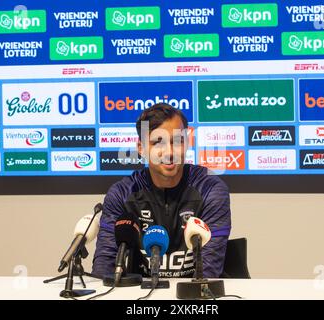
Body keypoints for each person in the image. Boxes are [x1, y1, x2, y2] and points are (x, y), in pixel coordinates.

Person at [92, 103, 231, 278]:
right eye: (158, 142)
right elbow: (104, 269)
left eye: (178, 141)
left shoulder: (210, 189)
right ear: (141, 148)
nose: (169, 152)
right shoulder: (121, 194)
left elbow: (209, 273)